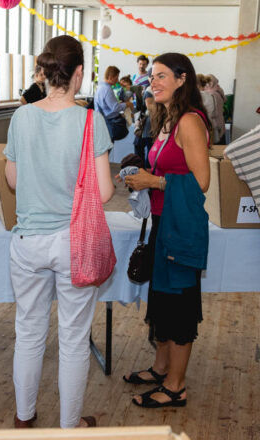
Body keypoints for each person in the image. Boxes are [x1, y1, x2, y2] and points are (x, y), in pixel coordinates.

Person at [4, 35, 114, 429]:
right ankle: (70, 427)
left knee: (29, 332)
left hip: (28, 241)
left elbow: (13, 180)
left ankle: (24, 418)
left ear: (46, 72)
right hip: (74, 243)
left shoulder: (22, 117)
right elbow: (102, 191)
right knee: (72, 339)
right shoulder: (90, 120)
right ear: (79, 73)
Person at [121, 52, 211, 409]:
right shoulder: (167, 119)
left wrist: (154, 181)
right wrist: (138, 175)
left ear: (181, 79)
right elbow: (167, 169)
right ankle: (161, 368)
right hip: (163, 223)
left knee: (179, 307)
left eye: (161, 76)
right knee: (161, 302)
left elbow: (201, 182)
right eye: (152, 76)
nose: (153, 82)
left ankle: (176, 387)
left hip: (180, 228)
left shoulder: (189, 121)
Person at [94, 66, 134, 142]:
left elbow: (107, 105)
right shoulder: (107, 89)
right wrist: (127, 104)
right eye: (116, 77)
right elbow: (115, 107)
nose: (117, 80)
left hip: (102, 121)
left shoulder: (100, 87)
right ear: (110, 77)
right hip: (109, 123)